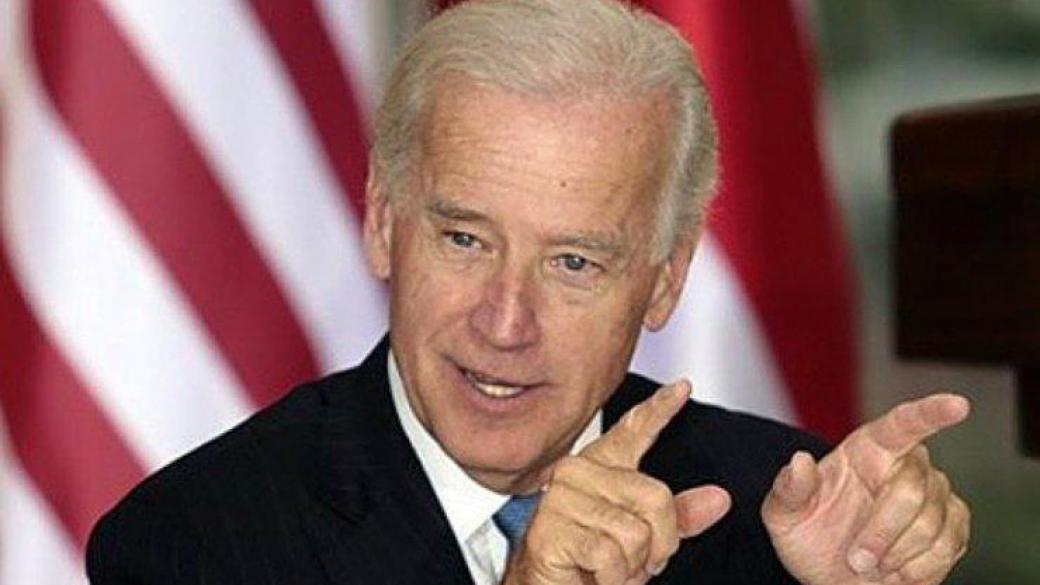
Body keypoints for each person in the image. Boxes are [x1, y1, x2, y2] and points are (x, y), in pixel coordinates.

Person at [86, 1, 971, 584]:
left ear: (665, 280)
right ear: (384, 223)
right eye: (465, 239)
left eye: (573, 263)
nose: (505, 322)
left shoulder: (773, 516)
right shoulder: (196, 543)